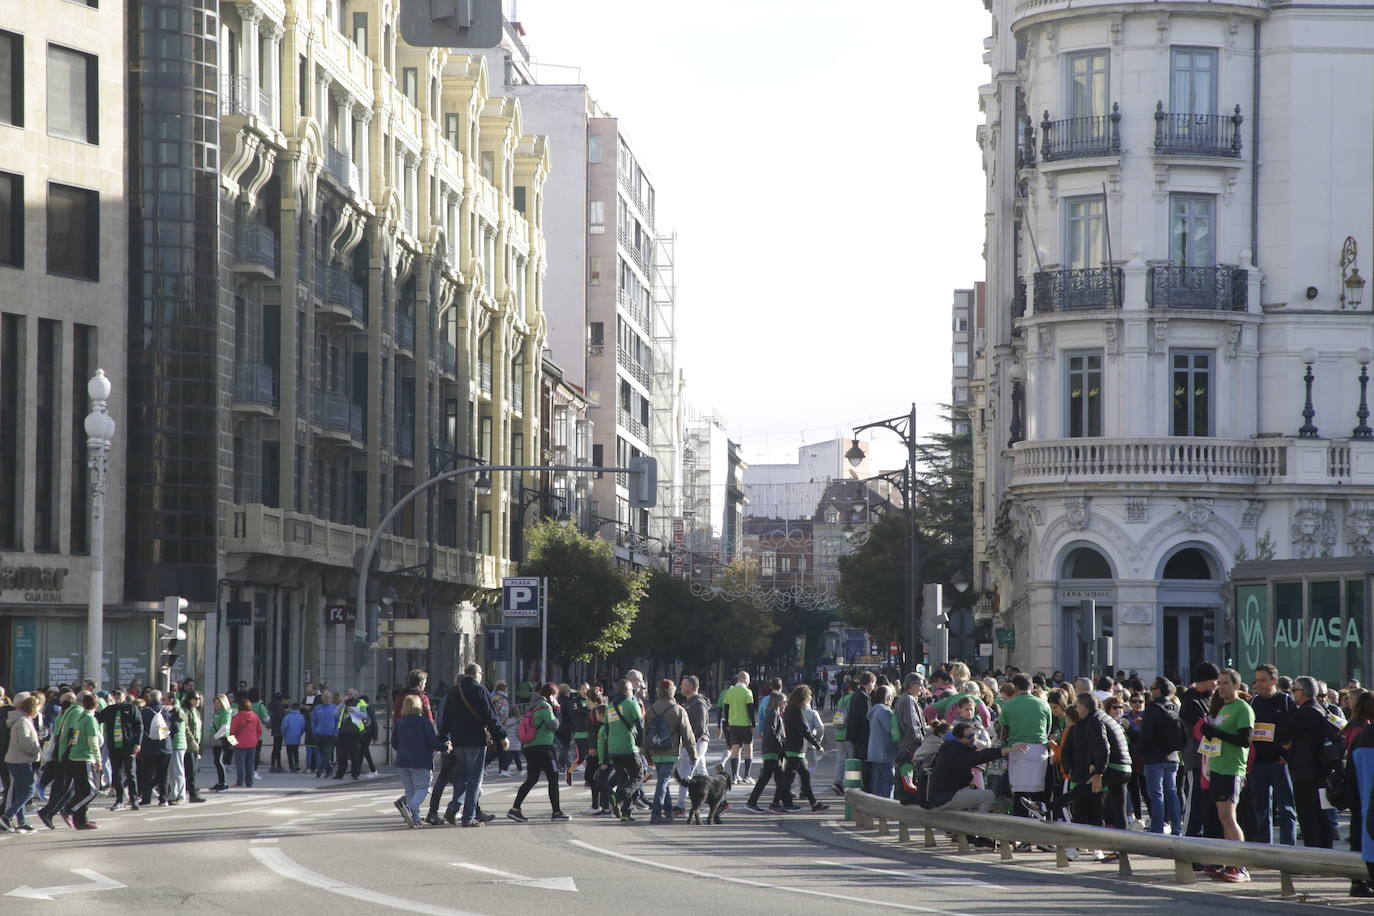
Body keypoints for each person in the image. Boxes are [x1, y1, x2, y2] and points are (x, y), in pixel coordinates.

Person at [1198, 667, 1253, 881]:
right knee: (1222, 817)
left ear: (1236, 685)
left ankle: (1240, 866)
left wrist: (1215, 733)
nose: (1221, 687)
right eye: (1219, 683)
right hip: (1218, 769)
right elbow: (1219, 737)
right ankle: (1226, 861)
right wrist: (1209, 735)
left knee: (1230, 817)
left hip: (1232, 769)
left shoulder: (1242, 708)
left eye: (1226, 683)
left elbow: (1245, 740)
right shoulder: (1224, 708)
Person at [437, 662, 506, 827]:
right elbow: (491, 716)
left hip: (458, 740)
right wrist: (501, 736)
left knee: (462, 776)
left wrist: (444, 737)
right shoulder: (480, 690)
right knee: (475, 779)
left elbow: (447, 718)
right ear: (476, 674)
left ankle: (454, 807)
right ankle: (468, 817)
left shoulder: (454, 692)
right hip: (476, 740)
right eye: (481, 673)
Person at [1282, 675, 1336, 848]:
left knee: (1307, 815)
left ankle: (1313, 853)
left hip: (1305, 772)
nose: (1292, 694)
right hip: (1322, 771)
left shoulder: (1304, 712)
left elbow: (1283, 736)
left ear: (1303, 692)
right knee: (1321, 814)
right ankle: (1325, 850)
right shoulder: (1321, 710)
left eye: (1294, 690)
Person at [1249, 663, 1297, 845]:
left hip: (1279, 763)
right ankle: (1264, 850)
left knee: (1286, 809)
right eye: (1257, 680)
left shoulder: (1285, 701)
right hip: (1258, 764)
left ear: (1274, 681)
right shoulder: (1254, 702)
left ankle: (1288, 850)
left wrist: (1288, 757)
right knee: (1260, 811)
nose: (1259, 684)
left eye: (1263, 680)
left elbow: (1295, 732)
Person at [508, 683, 566, 822]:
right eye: (556, 695)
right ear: (552, 695)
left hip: (530, 747)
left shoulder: (532, 707)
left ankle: (515, 809)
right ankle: (556, 812)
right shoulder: (545, 707)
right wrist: (557, 709)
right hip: (544, 748)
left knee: (532, 779)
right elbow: (553, 725)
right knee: (553, 778)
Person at [642, 678, 697, 823]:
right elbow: (688, 735)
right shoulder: (678, 709)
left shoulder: (651, 709)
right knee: (663, 781)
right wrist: (693, 755)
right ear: (673, 691)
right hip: (670, 751)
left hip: (654, 750)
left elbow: (645, 734)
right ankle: (656, 813)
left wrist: (646, 754)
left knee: (662, 780)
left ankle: (668, 812)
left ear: (658, 692)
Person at [929, 722, 1016, 813]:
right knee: (988, 795)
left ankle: (971, 822)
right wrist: (1004, 750)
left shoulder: (952, 747)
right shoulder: (955, 751)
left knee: (976, 793)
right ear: (959, 738)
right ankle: (980, 825)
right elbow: (980, 756)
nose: (972, 738)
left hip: (945, 795)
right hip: (944, 798)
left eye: (973, 734)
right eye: (968, 737)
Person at [999, 673, 1053, 818]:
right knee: (1038, 795)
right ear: (1031, 686)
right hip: (1039, 751)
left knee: (1020, 795)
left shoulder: (1008, 704)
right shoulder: (1044, 704)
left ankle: (1021, 833)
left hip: (1017, 751)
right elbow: (1048, 730)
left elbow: (1003, 733)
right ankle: (1039, 830)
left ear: (1015, 688)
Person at [1137, 677, 1183, 835]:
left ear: (1159, 690)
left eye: (1153, 688)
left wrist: (1140, 751)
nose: (1150, 691)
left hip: (1154, 757)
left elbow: (1146, 734)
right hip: (1173, 756)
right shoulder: (1174, 707)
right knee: (1172, 792)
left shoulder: (1153, 708)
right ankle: (1177, 828)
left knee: (1156, 794)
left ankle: (1157, 828)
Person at [1180, 662, 1220, 840]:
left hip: (1212, 759)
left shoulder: (1211, 698)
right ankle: (1188, 844)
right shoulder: (1191, 701)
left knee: (1207, 805)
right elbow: (1198, 730)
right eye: (1215, 680)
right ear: (1205, 680)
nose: (1217, 685)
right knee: (1195, 803)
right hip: (1196, 759)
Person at [393, 694, 444, 827]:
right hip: (421, 759)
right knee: (423, 788)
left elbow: (394, 742)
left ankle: (415, 819)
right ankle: (411, 808)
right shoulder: (423, 722)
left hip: (403, 760)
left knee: (410, 791)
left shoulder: (400, 722)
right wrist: (445, 747)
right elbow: (433, 741)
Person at [776, 684, 828, 813]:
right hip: (795, 749)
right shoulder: (796, 711)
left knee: (804, 778)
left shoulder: (790, 710)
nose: (809, 701)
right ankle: (775, 803)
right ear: (802, 699)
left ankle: (814, 804)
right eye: (809, 699)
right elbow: (805, 731)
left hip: (795, 748)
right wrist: (817, 745)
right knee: (788, 779)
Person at [600, 679, 644, 821]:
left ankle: (626, 813)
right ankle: (618, 797)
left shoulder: (610, 707)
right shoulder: (632, 704)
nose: (633, 693)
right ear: (627, 691)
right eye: (632, 691)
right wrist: (642, 745)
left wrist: (606, 755)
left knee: (623, 779)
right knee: (638, 776)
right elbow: (640, 725)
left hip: (614, 749)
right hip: (628, 748)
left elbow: (606, 730)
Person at [744, 682, 788, 812]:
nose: (785, 705)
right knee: (765, 778)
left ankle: (784, 802)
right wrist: (781, 745)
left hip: (773, 751)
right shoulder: (773, 714)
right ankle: (752, 802)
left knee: (780, 778)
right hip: (772, 751)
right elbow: (772, 733)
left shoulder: (773, 713)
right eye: (784, 703)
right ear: (779, 703)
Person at [97, 688, 143, 810]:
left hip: (128, 746)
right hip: (114, 746)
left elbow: (139, 726)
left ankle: (134, 799)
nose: (116, 696)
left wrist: (138, 743)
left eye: (119, 694)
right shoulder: (110, 709)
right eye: (114, 694)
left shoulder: (131, 708)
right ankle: (119, 799)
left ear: (125, 695)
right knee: (116, 774)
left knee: (130, 773)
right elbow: (97, 718)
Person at [2, 693, 41, 832]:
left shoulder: (21, 719)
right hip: (20, 760)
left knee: (20, 791)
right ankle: (7, 816)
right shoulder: (22, 722)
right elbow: (25, 743)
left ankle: (22, 821)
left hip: (16, 760)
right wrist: (38, 751)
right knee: (29, 790)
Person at [674, 676, 712, 815]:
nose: (680, 686)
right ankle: (721, 802)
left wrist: (691, 744)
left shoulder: (698, 703)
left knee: (685, 773)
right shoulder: (689, 702)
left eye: (683, 684)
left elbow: (700, 727)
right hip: (695, 743)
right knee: (702, 773)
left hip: (697, 742)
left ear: (690, 687)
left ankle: (680, 806)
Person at [137, 689, 175, 806]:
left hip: (148, 747)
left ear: (149, 698)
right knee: (164, 774)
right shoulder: (166, 711)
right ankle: (163, 799)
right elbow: (175, 727)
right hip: (165, 746)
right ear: (160, 698)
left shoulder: (144, 712)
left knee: (147, 773)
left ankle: (146, 798)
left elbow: (139, 728)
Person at [719, 671, 756, 785]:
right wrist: (753, 724)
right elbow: (750, 709)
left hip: (733, 725)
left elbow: (726, 709)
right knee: (748, 749)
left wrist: (727, 724)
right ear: (745, 680)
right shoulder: (748, 692)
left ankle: (734, 776)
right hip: (745, 724)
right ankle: (747, 775)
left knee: (735, 750)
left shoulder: (730, 692)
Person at [867, 685, 899, 799]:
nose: (892, 699)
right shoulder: (885, 711)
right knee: (888, 783)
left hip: (874, 753)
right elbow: (892, 730)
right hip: (885, 753)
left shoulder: (874, 710)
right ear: (887, 697)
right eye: (891, 697)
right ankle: (886, 811)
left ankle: (877, 810)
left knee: (877, 785)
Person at [848, 671, 875, 792]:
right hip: (863, 737)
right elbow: (866, 718)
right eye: (873, 684)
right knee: (865, 765)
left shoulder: (856, 695)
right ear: (870, 683)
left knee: (856, 764)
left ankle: (855, 789)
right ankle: (866, 790)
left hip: (855, 736)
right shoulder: (864, 697)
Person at [334, 694, 371, 780]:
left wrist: (354, 710)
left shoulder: (360, 702)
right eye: (348, 693)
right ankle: (340, 773)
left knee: (354, 754)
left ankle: (355, 773)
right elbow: (336, 712)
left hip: (354, 732)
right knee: (341, 754)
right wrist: (342, 702)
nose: (349, 695)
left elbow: (364, 715)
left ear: (355, 695)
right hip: (342, 731)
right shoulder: (344, 703)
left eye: (351, 694)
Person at [830, 677, 856, 794]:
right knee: (852, 760)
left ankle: (837, 782)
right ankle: (851, 784)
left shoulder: (842, 700)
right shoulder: (854, 699)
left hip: (839, 733)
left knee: (840, 760)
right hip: (849, 734)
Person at [230, 697, 263, 788]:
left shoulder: (237, 717)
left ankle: (240, 782)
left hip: (239, 743)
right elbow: (259, 730)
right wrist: (256, 739)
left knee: (240, 763)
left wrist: (232, 743)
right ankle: (249, 782)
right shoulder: (254, 716)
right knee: (250, 764)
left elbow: (232, 731)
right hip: (252, 743)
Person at [179, 691, 205, 803]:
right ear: (189, 699)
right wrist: (192, 740)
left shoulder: (197, 712)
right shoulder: (186, 711)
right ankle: (193, 794)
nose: (198, 700)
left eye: (199, 698)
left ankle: (192, 792)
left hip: (196, 745)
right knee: (190, 770)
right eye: (195, 698)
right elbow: (186, 727)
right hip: (189, 745)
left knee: (193, 770)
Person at [311, 692, 340, 777]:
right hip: (319, 735)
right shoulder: (317, 708)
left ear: (331, 699)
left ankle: (320, 770)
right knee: (322, 754)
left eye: (329, 698)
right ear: (322, 698)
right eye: (325, 698)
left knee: (327, 753)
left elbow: (338, 721)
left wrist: (336, 732)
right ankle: (329, 770)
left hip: (331, 735)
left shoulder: (335, 708)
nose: (327, 699)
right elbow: (313, 721)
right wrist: (314, 732)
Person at [209, 694, 233, 791]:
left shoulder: (225, 712)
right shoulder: (217, 712)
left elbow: (225, 727)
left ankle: (223, 782)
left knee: (219, 761)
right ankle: (221, 781)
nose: (216, 704)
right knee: (217, 761)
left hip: (222, 738)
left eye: (218, 702)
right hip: (216, 738)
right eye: (215, 702)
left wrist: (216, 736)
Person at [281, 705, 306, 772]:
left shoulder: (287, 717)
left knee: (289, 753)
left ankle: (291, 767)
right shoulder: (301, 717)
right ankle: (297, 765)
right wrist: (300, 734)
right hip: (297, 737)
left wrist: (284, 734)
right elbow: (303, 728)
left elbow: (284, 728)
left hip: (288, 737)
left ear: (291, 709)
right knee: (296, 752)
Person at [268, 692, 287, 772]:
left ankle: (273, 764)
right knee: (278, 748)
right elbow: (281, 717)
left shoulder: (272, 705)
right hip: (279, 728)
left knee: (275, 747)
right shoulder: (280, 705)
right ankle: (278, 765)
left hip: (274, 728)